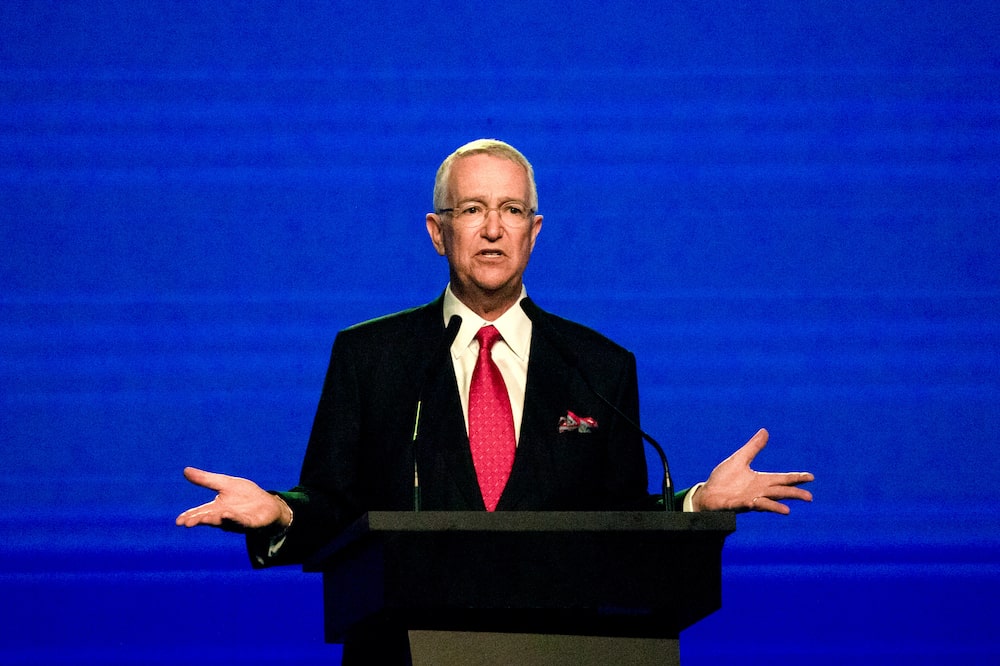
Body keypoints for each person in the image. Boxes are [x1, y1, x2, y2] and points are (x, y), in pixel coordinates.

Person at [176, 139, 814, 569]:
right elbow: (335, 505)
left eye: (511, 210)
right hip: (406, 645)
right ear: (437, 231)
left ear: (534, 233)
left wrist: (696, 502)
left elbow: (618, 521)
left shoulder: (598, 366)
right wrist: (281, 512)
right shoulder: (369, 357)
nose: (491, 228)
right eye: (472, 209)